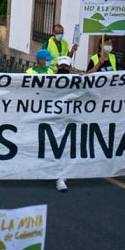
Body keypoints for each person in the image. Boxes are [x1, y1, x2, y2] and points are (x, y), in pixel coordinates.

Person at [54, 55, 73, 192]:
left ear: (70, 67)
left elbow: (92, 79)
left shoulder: (75, 80)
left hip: (67, 120)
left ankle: (61, 176)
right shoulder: (48, 80)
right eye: (61, 66)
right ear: (57, 66)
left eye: (66, 66)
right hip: (50, 119)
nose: (63, 68)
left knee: (64, 147)